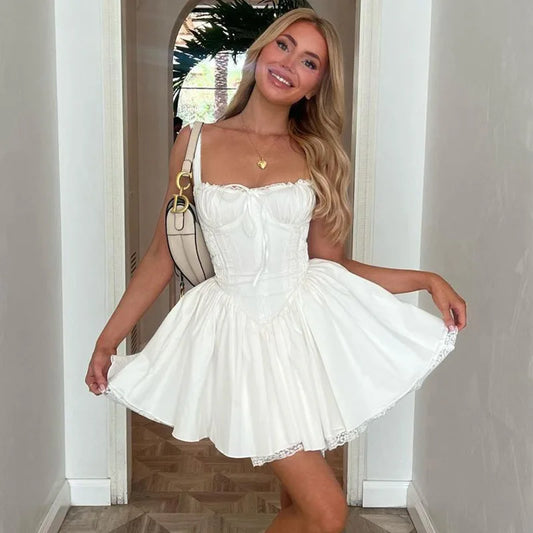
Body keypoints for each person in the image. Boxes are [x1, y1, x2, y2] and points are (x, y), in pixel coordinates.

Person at [86, 8, 466, 532]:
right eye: (284, 45)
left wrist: (426, 280)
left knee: (303, 509)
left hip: (305, 337)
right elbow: (160, 255)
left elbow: (333, 264)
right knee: (327, 512)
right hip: (238, 337)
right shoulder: (194, 143)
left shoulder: (318, 155)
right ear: (261, 50)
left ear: (315, 87)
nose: (289, 63)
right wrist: (108, 341)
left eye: (309, 62)